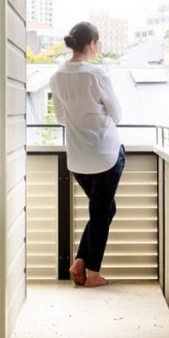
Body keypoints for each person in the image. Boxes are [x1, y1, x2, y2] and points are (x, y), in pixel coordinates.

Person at [50, 21, 125, 287]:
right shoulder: (96, 75)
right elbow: (117, 115)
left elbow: (60, 118)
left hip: (77, 159)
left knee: (104, 209)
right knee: (102, 212)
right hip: (106, 155)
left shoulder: (57, 76)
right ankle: (93, 274)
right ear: (92, 43)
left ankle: (80, 261)